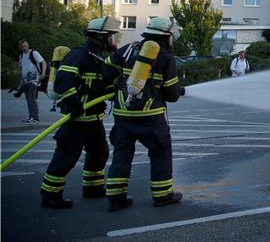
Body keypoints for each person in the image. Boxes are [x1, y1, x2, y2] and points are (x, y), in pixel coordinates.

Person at [104, 16, 183, 212]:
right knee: (160, 152)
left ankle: (116, 197)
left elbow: (106, 73)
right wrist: (178, 90)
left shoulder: (127, 50)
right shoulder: (165, 57)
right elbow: (171, 94)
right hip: (151, 115)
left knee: (122, 153)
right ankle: (163, 195)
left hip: (123, 114)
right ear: (166, 37)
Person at [40, 17, 120, 209]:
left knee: (99, 152)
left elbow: (99, 84)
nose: (113, 40)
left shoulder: (98, 58)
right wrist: (73, 103)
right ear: (101, 37)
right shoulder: (79, 55)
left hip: (92, 118)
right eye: (111, 36)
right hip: (76, 118)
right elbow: (63, 81)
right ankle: (50, 194)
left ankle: (92, 188)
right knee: (66, 156)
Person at [16, 39, 46, 124]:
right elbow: (22, 69)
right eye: (22, 47)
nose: (24, 48)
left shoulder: (34, 53)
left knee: (31, 98)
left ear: (28, 45)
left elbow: (43, 63)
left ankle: (35, 118)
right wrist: (20, 82)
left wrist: (43, 74)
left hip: (34, 80)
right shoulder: (21, 55)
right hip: (25, 81)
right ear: (20, 47)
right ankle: (31, 117)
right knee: (28, 99)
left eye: (25, 46)